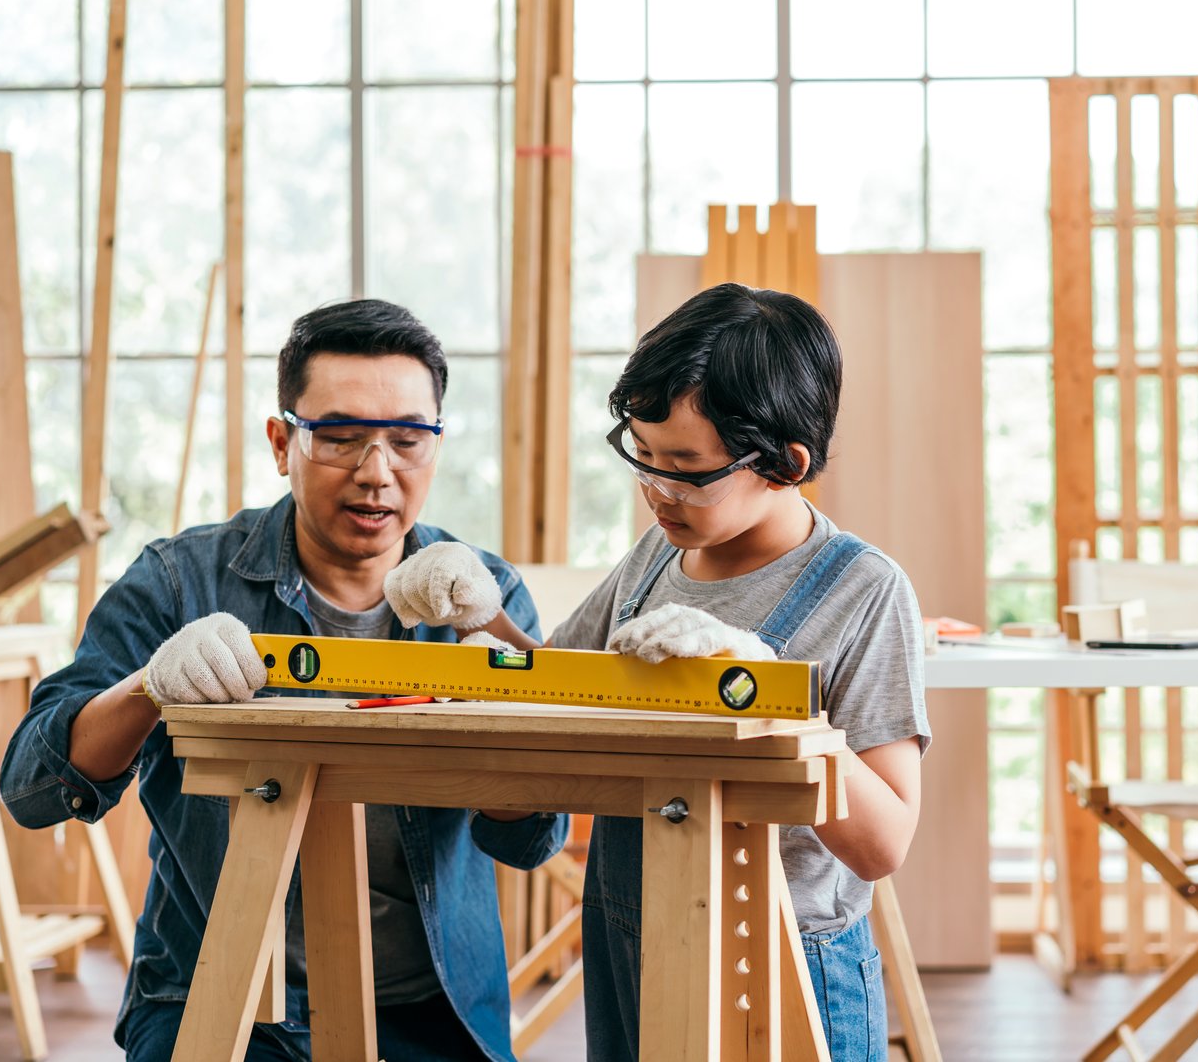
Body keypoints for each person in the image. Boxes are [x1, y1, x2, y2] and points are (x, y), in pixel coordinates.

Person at [0, 298, 568, 1062]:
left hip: (431, 1008)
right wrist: (148, 686)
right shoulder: (179, 583)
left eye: (407, 439)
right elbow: (31, 787)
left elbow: (534, 838)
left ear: (436, 444)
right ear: (281, 441)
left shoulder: (480, 596)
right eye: (338, 438)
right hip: (221, 992)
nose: (377, 473)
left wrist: (495, 669)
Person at [385, 283, 930, 1061]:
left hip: (783, 969)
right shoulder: (655, 560)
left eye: (685, 469)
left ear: (784, 462)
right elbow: (557, 686)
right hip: (632, 940)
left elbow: (883, 844)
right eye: (644, 456)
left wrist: (769, 701)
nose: (657, 491)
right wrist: (481, 614)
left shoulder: (863, 591)